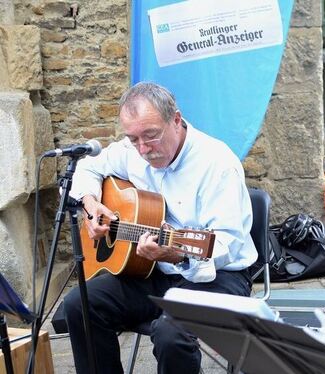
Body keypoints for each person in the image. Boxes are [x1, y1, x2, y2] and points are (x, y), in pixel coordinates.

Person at [63, 82, 258, 374]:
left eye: (151, 136)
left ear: (176, 120)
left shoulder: (218, 164)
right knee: (79, 303)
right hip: (152, 271)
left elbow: (225, 245)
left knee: (171, 334)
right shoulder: (132, 151)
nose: (143, 149)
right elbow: (88, 168)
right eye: (133, 139)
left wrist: (176, 255)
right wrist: (91, 205)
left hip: (219, 277)